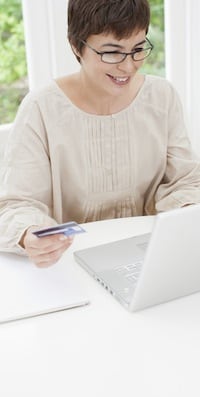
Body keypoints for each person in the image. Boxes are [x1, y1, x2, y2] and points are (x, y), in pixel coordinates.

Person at [1, 0, 200, 268]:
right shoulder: (41, 108)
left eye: (138, 49)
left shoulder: (162, 97)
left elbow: (186, 181)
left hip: (151, 257)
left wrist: (187, 212)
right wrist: (28, 234)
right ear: (76, 46)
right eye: (112, 52)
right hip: (68, 263)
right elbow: (16, 205)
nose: (128, 66)